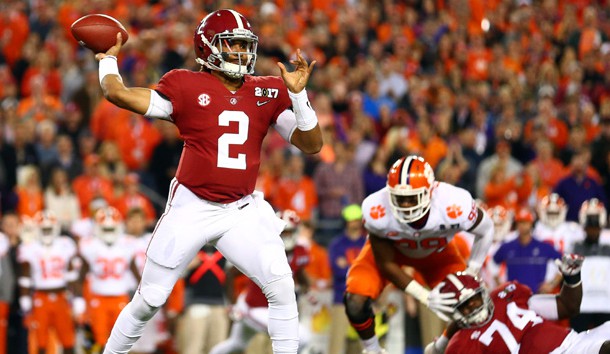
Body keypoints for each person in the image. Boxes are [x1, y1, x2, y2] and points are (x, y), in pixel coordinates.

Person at [94, 8, 322, 354]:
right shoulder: (186, 85)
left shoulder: (267, 90)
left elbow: (312, 144)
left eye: (245, 46)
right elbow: (118, 94)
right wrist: (108, 61)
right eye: (231, 45)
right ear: (207, 48)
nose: (242, 54)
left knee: (281, 285)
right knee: (150, 299)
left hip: (241, 209)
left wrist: (299, 97)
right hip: (193, 205)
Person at [344, 155, 494, 354]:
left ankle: (440, 345)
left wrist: (472, 270)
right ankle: (373, 350)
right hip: (393, 251)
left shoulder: (453, 203)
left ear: (430, 192)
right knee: (354, 301)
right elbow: (385, 264)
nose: (405, 205)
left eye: (411, 198)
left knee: (470, 302)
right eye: (400, 198)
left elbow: (486, 229)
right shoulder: (376, 209)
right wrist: (423, 295)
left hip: (437, 255)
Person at [424, 254, 610, 354]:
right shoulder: (461, 344)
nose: (474, 306)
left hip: (575, 340)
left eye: (475, 299)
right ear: (454, 312)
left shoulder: (507, 295)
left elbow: (567, 307)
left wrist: (572, 279)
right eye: (466, 305)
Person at [210, 209, 311, 354]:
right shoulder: (265, 250)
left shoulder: (300, 252)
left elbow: (298, 272)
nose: (286, 236)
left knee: (236, 345)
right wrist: (231, 304)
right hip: (255, 308)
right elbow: (231, 273)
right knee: (299, 338)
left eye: (289, 232)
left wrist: (306, 289)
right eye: (283, 232)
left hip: (272, 308)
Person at [16, 210, 81, 354]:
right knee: (41, 341)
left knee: (68, 339)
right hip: (40, 297)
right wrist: (25, 300)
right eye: (43, 229)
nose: (46, 232)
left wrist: (78, 298)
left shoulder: (65, 244)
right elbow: (25, 278)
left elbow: (72, 275)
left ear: (56, 228)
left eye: (49, 228)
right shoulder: (29, 247)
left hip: (61, 297)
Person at [493, 207, 562, 294]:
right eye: (520, 222)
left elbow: (562, 264)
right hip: (514, 297)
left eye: (525, 222)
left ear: (531, 223)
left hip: (537, 295)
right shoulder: (507, 247)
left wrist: (551, 284)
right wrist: (500, 284)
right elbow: (493, 263)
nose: (522, 226)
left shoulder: (543, 247)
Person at [571, 198, 610, 332]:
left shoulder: (607, 240)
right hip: (583, 304)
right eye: (590, 222)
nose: (593, 228)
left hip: (606, 303)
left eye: (595, 221)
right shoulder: (574, 243)